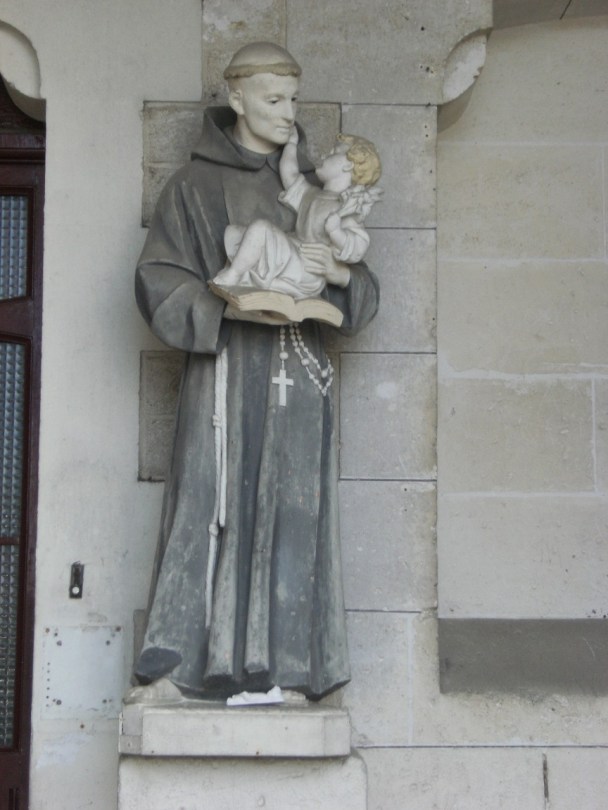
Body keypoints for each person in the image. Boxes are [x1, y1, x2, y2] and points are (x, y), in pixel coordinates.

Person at [133, 42, 379, 700]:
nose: (287, 112)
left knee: (294, 515)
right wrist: (221, 309)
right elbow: (158, 279)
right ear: (236, 98)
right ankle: (178, 667)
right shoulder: (192, 186)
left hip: (298, 378)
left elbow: (360, 291)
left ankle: (291, 672)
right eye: (273, 99)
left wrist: (338, 281)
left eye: (293, 99)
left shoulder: (312, 190)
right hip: (223, 372)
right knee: (203, 508)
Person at [213, 128, 382, 299]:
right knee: (241, 234)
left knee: (261, 229)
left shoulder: (346, 207)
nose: (325, 155)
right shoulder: (312, 194)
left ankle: (234, 274)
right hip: (294, 250)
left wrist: (336, 232)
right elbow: (290, 174)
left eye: (334, 152)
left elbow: (357, 246)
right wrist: (291, 144)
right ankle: (247, 274)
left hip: (307, 269)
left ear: (349, 165)